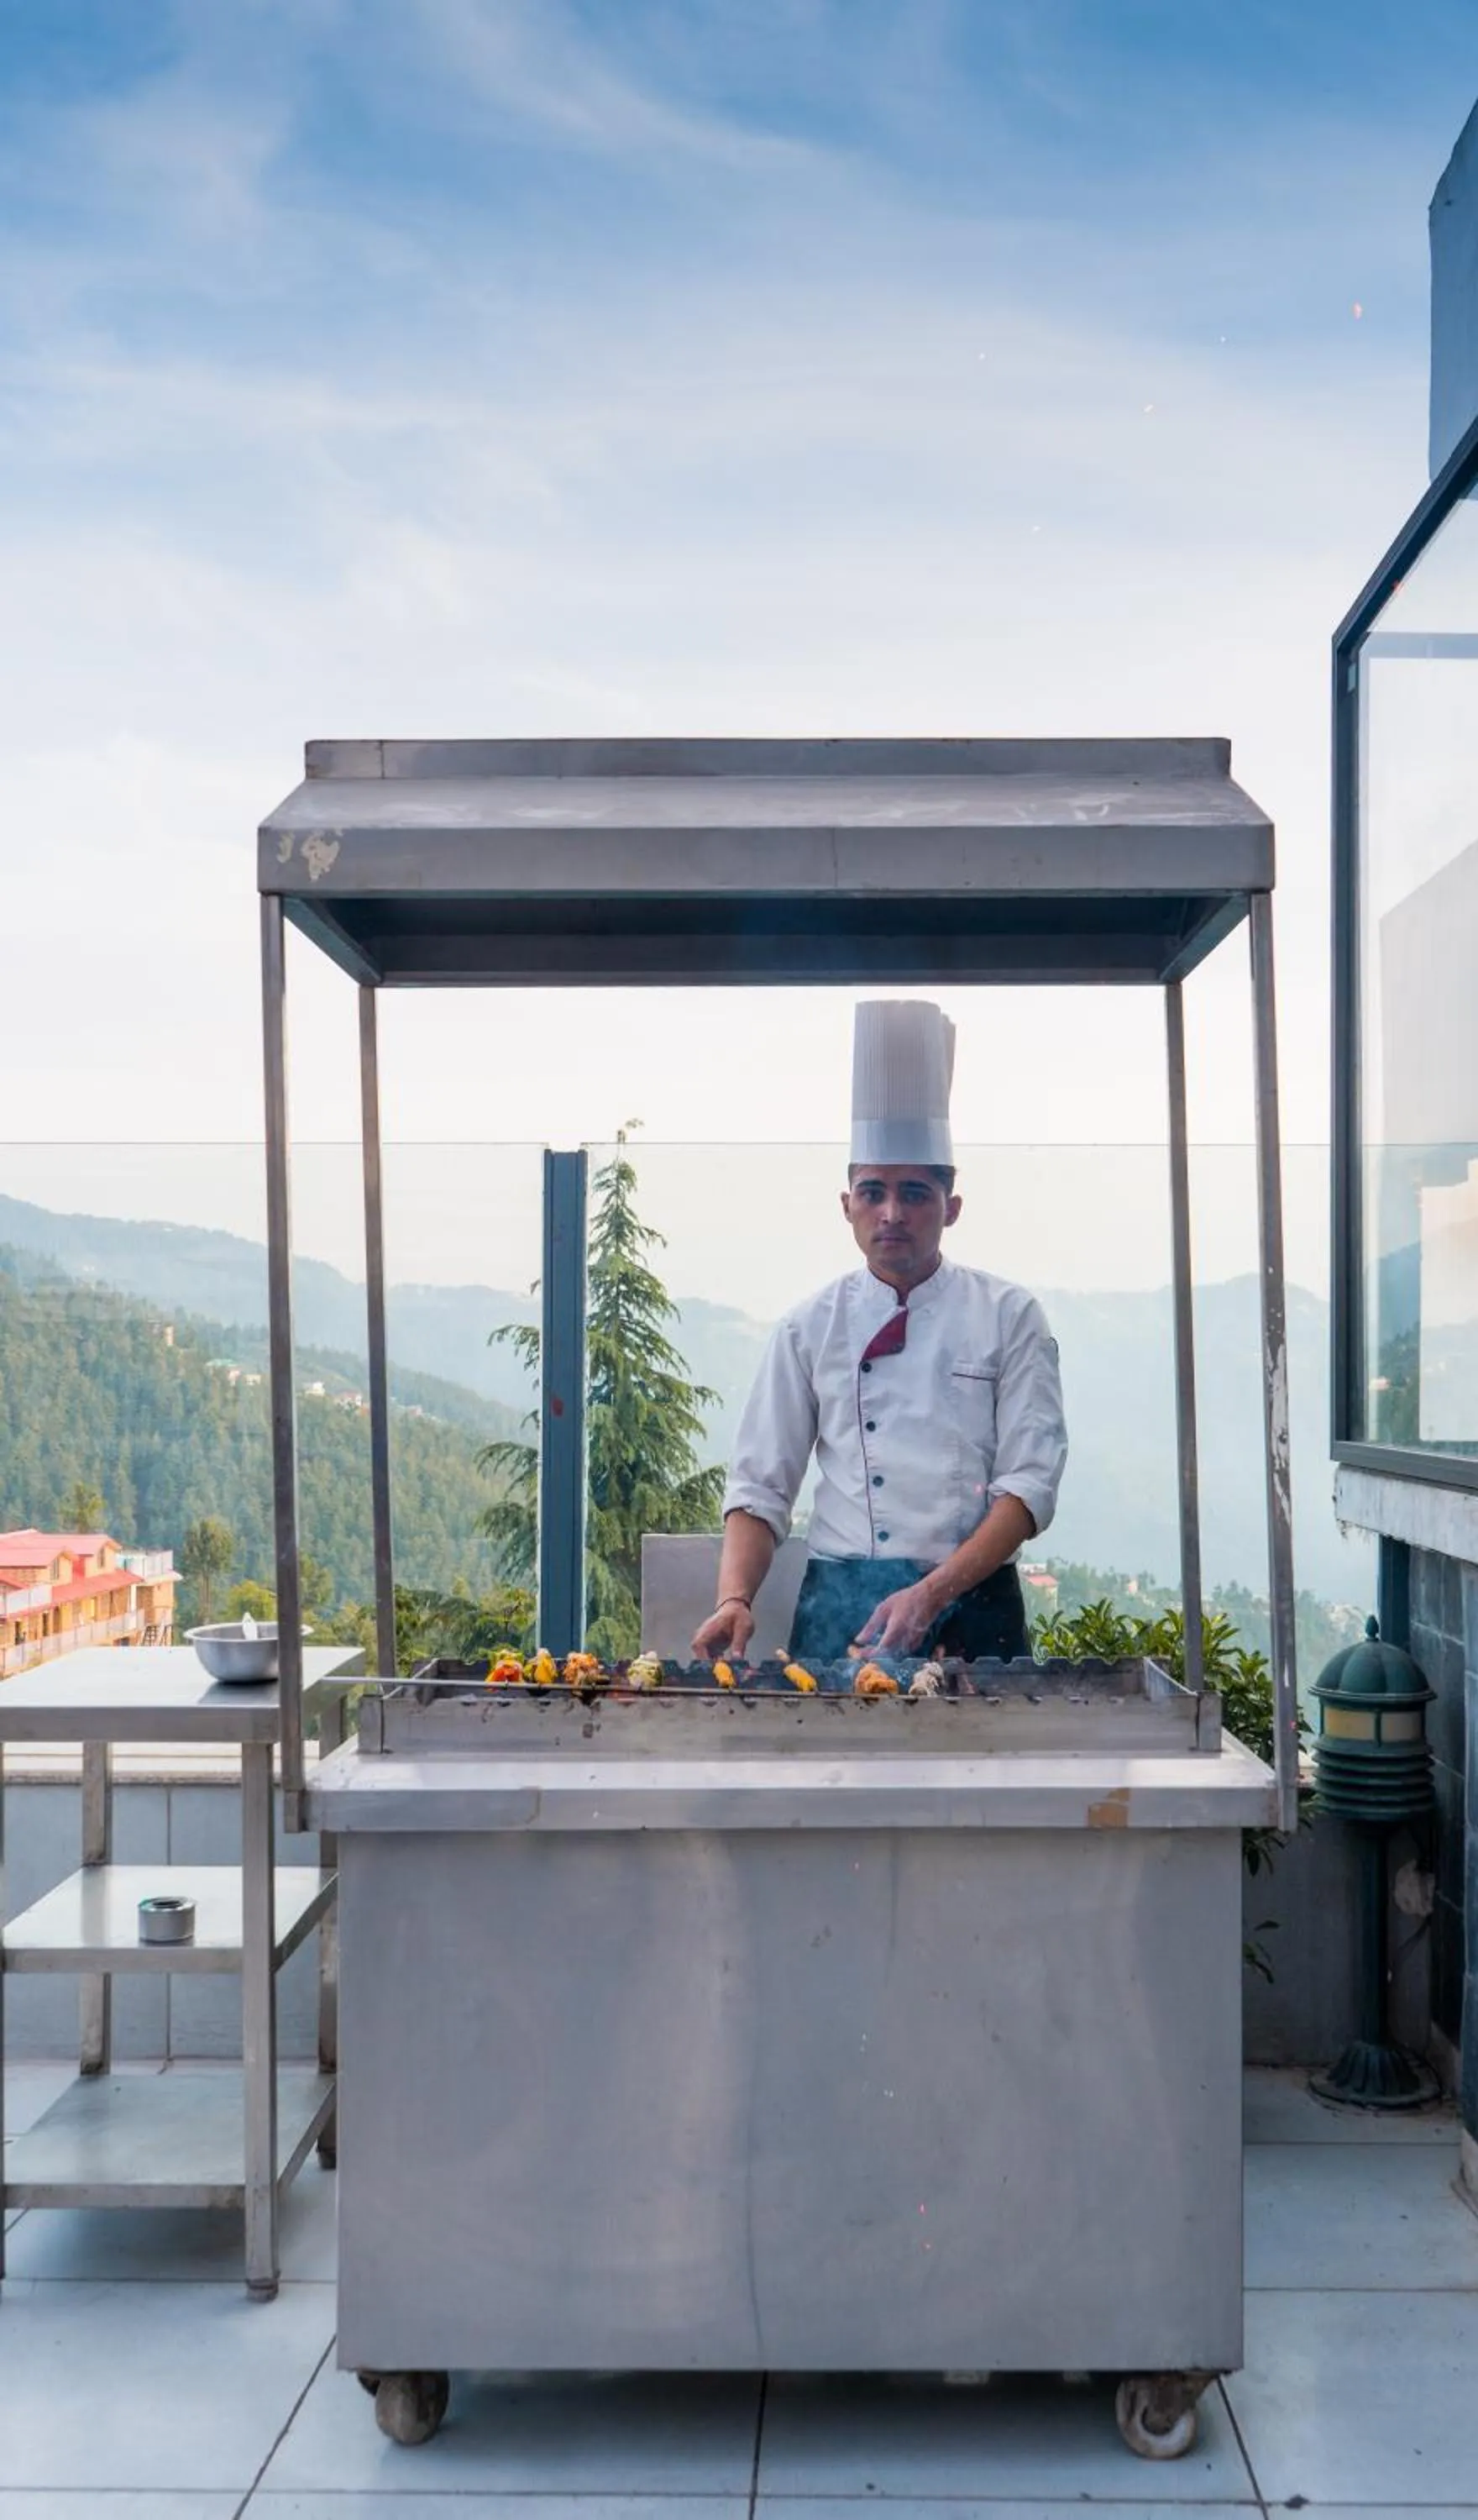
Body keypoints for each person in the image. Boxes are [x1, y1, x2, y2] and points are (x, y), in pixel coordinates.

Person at [693, 1000, 1067, 1667]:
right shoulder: (809, 1327)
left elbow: (1029, 1488)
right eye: (873, 1192)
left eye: (915, 1193)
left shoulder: (1009, 1316)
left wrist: (931, 1593)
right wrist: (734, 1598)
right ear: (847, 1206)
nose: (892, 1213)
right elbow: (759, 1485)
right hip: (841, 1601)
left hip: (973, 1604)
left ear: (951, 1207)